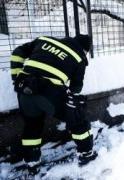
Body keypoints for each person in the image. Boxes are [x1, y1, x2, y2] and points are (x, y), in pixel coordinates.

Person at [10, 34, 96, 166]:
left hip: (24, 89)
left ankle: (32, 162)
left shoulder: (44, 40)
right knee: (77, 115)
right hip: (49, 93)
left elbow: (17, 52)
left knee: (32, 125)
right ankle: (86, 153)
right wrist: (67, 100)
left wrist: (16, 77)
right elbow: (76, 87)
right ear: (85, 50)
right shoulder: (79, 57)